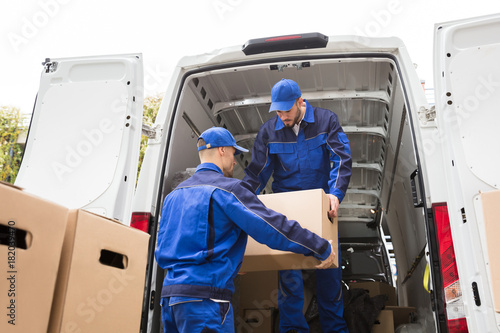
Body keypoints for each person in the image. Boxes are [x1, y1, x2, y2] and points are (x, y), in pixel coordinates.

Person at [155, 126, 337, 333]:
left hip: (169, 301)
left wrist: (233, 261)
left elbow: (173, 245)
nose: (235, 161)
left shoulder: (172, 197)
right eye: (234, 153)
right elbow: (272, 227)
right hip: (205, 302)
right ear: (222, 150)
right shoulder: (229, 190)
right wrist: (319, 245)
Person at [243, 79, 352, 333]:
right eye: (278, 112)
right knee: (289, 278)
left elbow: (341, 158)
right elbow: (255, 174)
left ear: (300, 102)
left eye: (287, 111)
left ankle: (334, 329)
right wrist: (241, 207)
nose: (282, 117)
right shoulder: (269, 132)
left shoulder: (326, 121)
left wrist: (336, 194)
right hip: (288, 212)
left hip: (322, 208)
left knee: (329, 274)